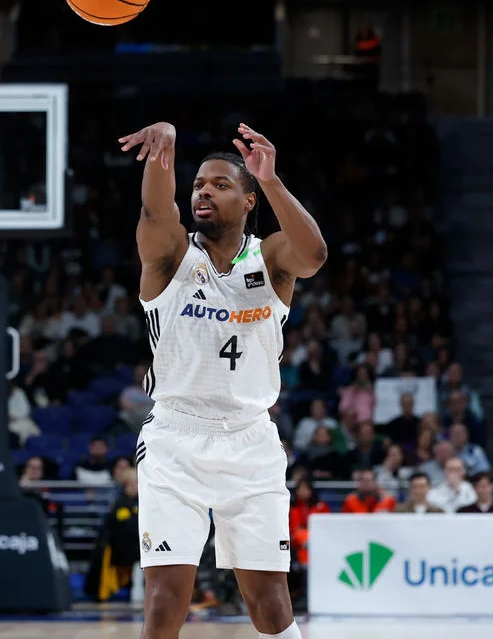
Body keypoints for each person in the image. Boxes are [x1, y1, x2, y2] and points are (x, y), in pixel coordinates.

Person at [122, 121, 328, 639]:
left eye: (220, 184)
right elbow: (154, 210)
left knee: (270, 604)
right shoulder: (171, 256)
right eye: (198, 185)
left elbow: (315, 255)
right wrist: (162, 154)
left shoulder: (272, 259)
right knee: (166, 602)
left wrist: (273, 180)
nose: (205, 192)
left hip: (251, 438)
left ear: (249, 201)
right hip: (175, 437)